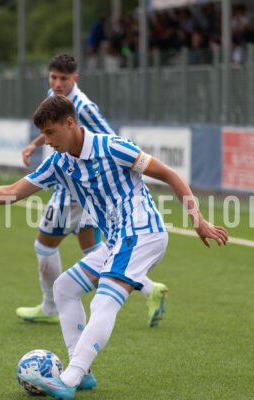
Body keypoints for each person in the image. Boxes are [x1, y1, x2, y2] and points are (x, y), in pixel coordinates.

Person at [0, 95, 228, 400]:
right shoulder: (59, 163)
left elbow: (169, 174)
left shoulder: (112, 147)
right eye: (43, 134)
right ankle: (82, 374)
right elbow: (14, 191)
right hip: (116, 240)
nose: (45, 141)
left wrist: (198, 220)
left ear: (69, 123)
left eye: (50, 132)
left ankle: (68, 378)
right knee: (64, 289)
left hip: (142, 232)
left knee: (103, 302)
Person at [17, 54, 169, 327]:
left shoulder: (84, 107)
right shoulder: (55, 98)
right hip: (86, 193)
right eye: (53, 77)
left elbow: (109, 140)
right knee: (96, 251)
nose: (58, 83)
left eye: (64, 78)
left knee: (44, 244)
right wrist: (35, 144)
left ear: (75, 79)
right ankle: (149, 288)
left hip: (75, 189)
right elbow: (54, 127)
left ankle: (50, 306)